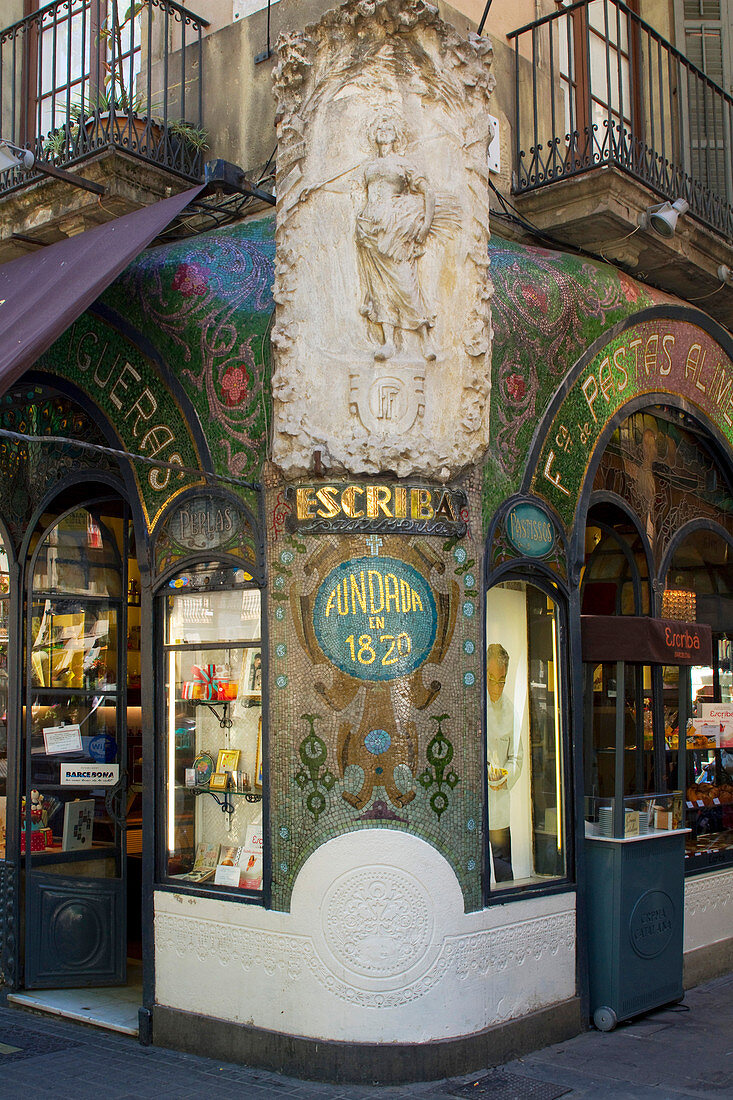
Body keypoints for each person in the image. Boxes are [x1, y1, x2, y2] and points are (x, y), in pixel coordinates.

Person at [355, 113, 436, 362]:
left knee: (405, 282)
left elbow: (428, 192)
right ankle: (388, 342)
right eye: (379, 127)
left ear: (395, 136)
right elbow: (355, 194)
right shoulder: (367, 167)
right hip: (369, 228)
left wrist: (425, 224)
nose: (383, 129)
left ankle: (425, 338)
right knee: (379, 287)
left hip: (395, 230)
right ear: (374, 135)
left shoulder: (404, 164)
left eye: (388, 127)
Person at [486, 642, 524, 882]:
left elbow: (516, 758)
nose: (496, 687)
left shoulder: (511, 710)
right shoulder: (474, 705)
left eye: (502, 680)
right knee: (478, 870)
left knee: (503, 866)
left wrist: (506, 775)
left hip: (499, 803)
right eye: (491, 678)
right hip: (477, 802)